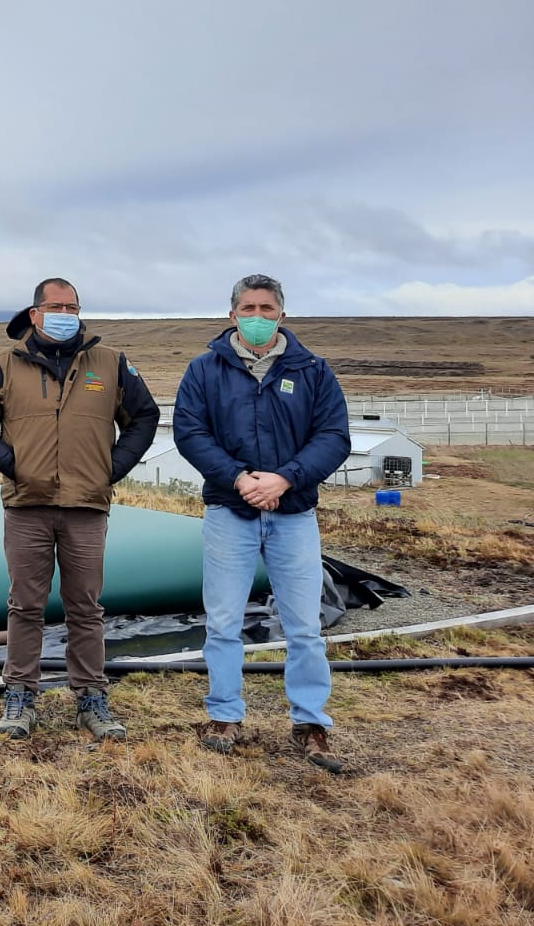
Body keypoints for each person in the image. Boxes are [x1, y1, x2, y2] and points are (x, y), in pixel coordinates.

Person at [0, 277, 159, 741]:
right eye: (56, 306)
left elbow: (145, 416)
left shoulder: (110, 363)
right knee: (25, 604)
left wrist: (114, 466)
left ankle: (91, 698)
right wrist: (12, 464)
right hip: (27, 504)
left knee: (85, 606)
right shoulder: (4, 365)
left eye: (73, 306)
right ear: (35, 313)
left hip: (87, 504)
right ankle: (21, 695)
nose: (66, 314)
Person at [173, 274, 351, 772]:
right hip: (231, 512)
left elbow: (333, 435)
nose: (257, 316)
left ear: (282, 315)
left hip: (293, 515)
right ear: (232, 315)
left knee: (304, 624)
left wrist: (284, 480)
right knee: (224, 620)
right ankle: (225, 715)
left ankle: (311, 721)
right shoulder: (205, 370)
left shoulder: (313, 371)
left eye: (266, 308)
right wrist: (238, 478)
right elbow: (189, 431)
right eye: (248, 308)